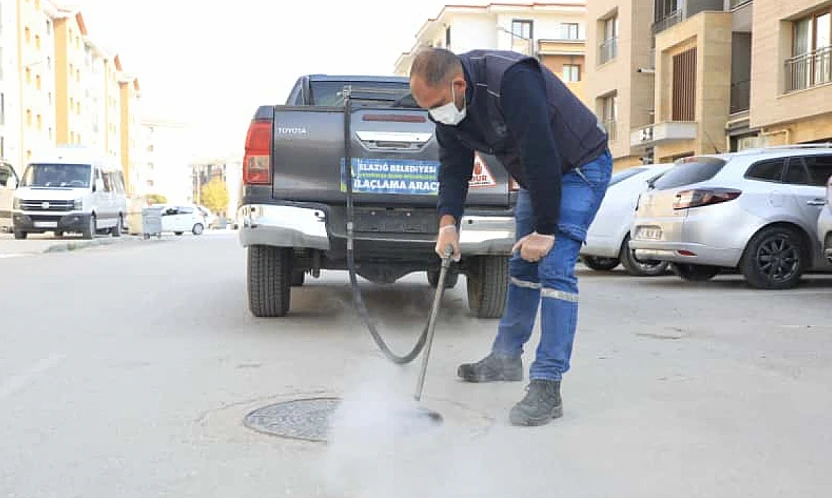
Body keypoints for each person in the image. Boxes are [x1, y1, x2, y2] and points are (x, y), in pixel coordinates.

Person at [409, 48, 612, 426]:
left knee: (554, 267)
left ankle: (547, 385)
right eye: (428, 109)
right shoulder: (449, 110)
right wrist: (448, 223)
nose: (435, 114)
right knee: (521, 263)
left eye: (436, 105)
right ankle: (505, 357)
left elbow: (541, 151)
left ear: (459, 85)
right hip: (539, 174)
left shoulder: (512, 80)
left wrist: (546, 230)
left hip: (580, 166)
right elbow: (454, 166)